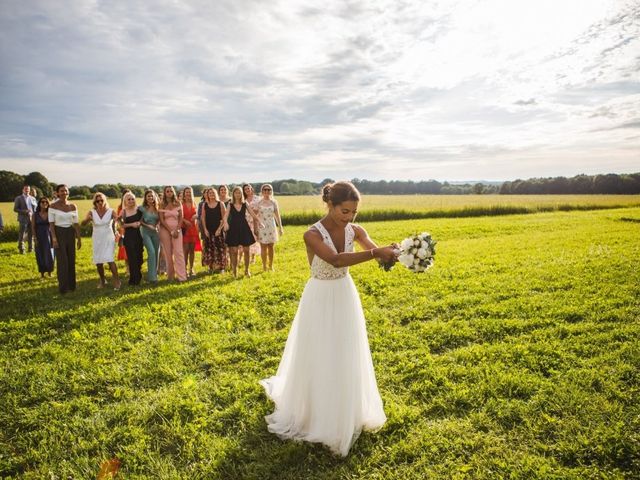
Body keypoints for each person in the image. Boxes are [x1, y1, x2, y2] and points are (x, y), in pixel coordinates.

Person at [260, 181, 398, 457]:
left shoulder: (356, 230)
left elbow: (378, 255)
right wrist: (374, 253)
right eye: (344, 211)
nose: (349, 218)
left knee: (345, 350)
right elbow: (335, 260)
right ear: (331, 205)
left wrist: (399, 253)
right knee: (319, 350)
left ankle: (345, 407)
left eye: (354, 213)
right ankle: (315, 410)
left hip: (345, 295)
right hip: (319, 297)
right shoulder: (312, 233)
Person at [81, 193, 121, 290]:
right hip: (97, 238)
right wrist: (87, 220)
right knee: (98, 261)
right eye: (97, 201)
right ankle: (102, 280)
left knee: (110, 259)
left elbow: (118, 220)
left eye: (101, 200)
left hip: (108, 237)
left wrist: (118, 220)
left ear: (105, 201)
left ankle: (117, 281)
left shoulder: (111, 211)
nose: (99, 202)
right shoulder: (92, 212)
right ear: (94, 202)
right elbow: (83, 224)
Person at [222, 186, 263, 278]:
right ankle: (234, 271)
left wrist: (260, 222)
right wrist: (225, 223)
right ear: (233, 194)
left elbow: (253, 214)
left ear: (241, 194)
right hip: (233, 228)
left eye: (239, 193)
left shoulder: (245, 204)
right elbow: (225, 216)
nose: (238, 194)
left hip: (244, 228)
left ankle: (246, 270)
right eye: (236, 193)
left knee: (246, 250)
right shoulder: (230, 204)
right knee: (234, 251)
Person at [48, 184, 81, 294]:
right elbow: (51, 224)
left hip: (70, 233)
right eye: (61, 191)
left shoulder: (73, 206)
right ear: (57, 193)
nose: (64, 193)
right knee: (63, 262)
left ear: (68, 193)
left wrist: (79, 238)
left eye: (66, 191)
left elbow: (76, 224)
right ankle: (63, 287)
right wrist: (54, 238)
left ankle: (72, 286)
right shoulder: (52, 206)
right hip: (58, 233)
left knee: (71, 259)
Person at [159, 186, 187, 282]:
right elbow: (162, 220)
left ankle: (182, 277)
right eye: (167, 191)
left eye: (171, 191)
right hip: (165, 230)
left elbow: (181, 218)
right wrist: (170, 231)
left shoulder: (178, 203)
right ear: (165, 193)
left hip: (177, 229)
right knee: (168, 253)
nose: (169, 192)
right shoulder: (161, 204)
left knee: (179, 252)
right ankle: (170, 276)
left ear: (173, 192)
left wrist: (177, 230)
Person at [256, 183, 284, 272]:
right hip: (262, 227)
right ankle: (264, 266)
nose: (267, 191)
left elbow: (277, 215)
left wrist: (280, 227)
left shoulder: (274, 202)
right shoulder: (259, 202)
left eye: (269, 190)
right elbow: (255, 216)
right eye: (265, 190)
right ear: (262, 191)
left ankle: (271, 266)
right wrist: (255, 227)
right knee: (263, 247)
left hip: (271, 226)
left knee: (271, 247)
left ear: (271, 191)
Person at [200, 187, 227, 273]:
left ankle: (221, 267)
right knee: (209, 248)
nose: (211, 194)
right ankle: (211, 267)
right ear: (207, 195)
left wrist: (219, 229)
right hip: (209, 230)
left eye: (212, 193)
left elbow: (224, 218)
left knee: (220, 248)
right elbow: (203, 218)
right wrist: (205, 229)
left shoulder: (221, 204)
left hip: (219, 230)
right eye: (209, 193)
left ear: (215, 194)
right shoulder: (205, 204)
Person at [120, 192, 144, 286]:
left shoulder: (139, 210)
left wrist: (140, 223)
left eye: (132, 199)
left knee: (139, 258)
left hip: (139, 235)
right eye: (128, 199)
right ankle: (134, 280)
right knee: (132, 258)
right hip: (129, 237)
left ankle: (138, 275)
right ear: (125, 201)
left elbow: (142, 219)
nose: (131, 201)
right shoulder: (123, 211)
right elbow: (121, 225)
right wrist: (132, 224)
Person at [139, 189, 161, 284]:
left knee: (156, 253)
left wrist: (157, 225)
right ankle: (152, 278)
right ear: (145, 198)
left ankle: (154, 273)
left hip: (155, 232)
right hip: (145, 232)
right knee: (151, 252)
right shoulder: (141, 208)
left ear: (154, 197)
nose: (150, 198)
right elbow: (139, 221)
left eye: (152, 196)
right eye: (148, 196)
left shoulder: (158, 207)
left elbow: (160, 219)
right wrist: (148, 226)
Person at [31, 197, 54, 278]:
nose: (44, 203)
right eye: (42, 202)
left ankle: (50, 272)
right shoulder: (35, 214)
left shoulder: (51, 213)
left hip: (49, 235)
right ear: (39, 203)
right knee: (40, 254)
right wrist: (35, 238)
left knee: (50, 254)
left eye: (46, 202)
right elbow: (33, 227)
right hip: (39, 236)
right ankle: (42, 273)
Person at [181, 186, 201, 276]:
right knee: (185, 250)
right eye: (187, 192)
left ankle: (191, 269)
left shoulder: (194, 203)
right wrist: (185, 221)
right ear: (184, 194)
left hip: (193, 229)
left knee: (192, 251)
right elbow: (178, 217)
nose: (188, 193)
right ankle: (184, 269)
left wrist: (196, 216)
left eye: (189, 192)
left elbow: (198, 214)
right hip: (185, 229)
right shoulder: (181, 204)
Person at [14, 184, 36, 253]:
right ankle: (21, 249)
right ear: (23, 190)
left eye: (28, 189)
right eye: (25, 189)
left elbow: (35, 209)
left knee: (31, 234)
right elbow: (15, 209)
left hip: (32, 218)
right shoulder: (18, 198)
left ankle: (31, 248)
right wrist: (25, 211)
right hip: (23, 219)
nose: (27, 190)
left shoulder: (33, 198)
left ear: (29, 190)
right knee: (22, 234)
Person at [243, 183, 261, 265]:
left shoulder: (257, 198)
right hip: (245, 221)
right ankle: (244, 256)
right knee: (245, 240)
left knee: (254, 239)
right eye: (245, 189)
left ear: (251, 189)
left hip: (254, 221)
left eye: (248, 188)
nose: (247, 190)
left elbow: (260, 209)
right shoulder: (243, 199)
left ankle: (253, 258)